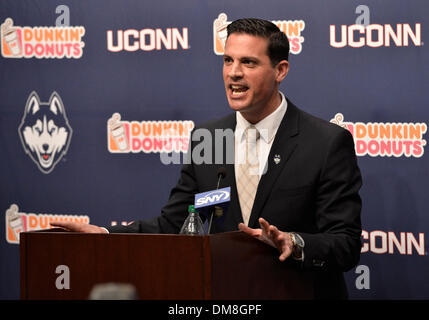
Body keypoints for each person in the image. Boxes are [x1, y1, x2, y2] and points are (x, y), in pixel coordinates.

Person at [51, 18, 362, 299]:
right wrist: (106, 235)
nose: (234, 72)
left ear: (280, 70)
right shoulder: (209, 137)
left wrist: (293, 243)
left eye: (248, 62)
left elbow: (345, 245)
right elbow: (175, 223)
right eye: (228, 60)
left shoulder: (326, 142)